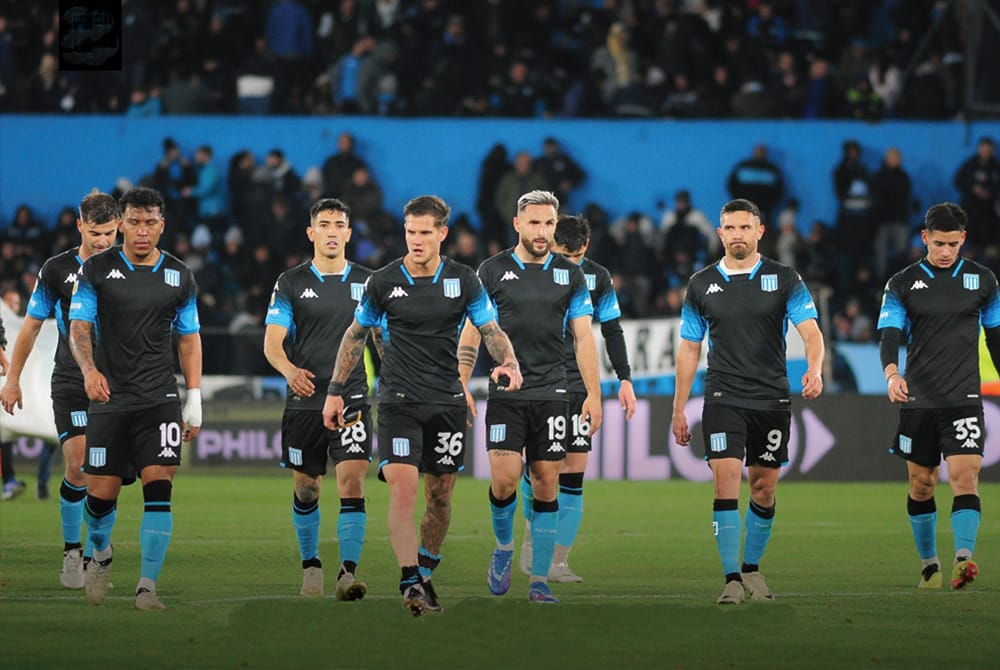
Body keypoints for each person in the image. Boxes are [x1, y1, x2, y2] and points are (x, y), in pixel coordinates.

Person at [322, 195, 521, 616]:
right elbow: (355, 336)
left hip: (446, 402)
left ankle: (426, 573)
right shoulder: (382, 281)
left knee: (441, 496)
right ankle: (410, 580)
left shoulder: (464, 280)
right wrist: (335, 390)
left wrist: (509, 361)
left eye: (425, 232)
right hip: (398, 402)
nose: (416, 240)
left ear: (442, 234)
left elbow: (489, 328)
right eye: (410, 232)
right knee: (403, 489)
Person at [672, 198, 824, 605]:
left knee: (763, 489)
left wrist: (815, 368)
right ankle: (731, 578)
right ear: (720, 233)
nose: (737, 234)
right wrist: (678, 407)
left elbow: (811, 332)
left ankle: (752, 569)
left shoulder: (784, 278)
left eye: (745, 227)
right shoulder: (702, 284)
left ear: (760, 232)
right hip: (723, 394)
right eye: (730, 228)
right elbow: (689, 348)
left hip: (771, 397)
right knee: (725, 481)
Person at [458, 190, 603, 605]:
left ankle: (539, 580)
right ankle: (504, 548)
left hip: (554, 392)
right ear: (517, 224)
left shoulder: (570, 276)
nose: (542, 231)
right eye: (534, 223)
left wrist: (593, 394)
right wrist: (461, 381)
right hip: (507, 391)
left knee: (546, 482)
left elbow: (583, 339)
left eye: (549, 224)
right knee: (504, 481)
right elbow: (473, 330)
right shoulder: (492, 270)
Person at [68, 187, 203, 611]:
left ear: (162, 225)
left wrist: (193, 397)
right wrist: (90, 371)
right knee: (99, 498)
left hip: (159, 397)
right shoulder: (96, 271)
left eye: (150, 222)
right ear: (122, 223)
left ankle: (147, 585)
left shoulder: (179, 276)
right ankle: (101, 551)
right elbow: (79, 328)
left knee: (159, 486)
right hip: (111, 397)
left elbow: (189, 338)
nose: (142, 231)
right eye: (134, 222)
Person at [876, 202, 1000, 591]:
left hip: (963, 397)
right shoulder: (901, 283)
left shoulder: (984, 282)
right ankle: (929, 564)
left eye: (953, 243)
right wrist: (892, 373)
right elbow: (890, 335)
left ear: (963, 239)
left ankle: (964, 559)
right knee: (922, 485)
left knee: (966, 478)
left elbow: (996, 338)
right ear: (924, 238)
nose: (945, 251)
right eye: (938, 243)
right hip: (919, 399)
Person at [1, 189, 118, 581]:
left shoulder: (133, 268)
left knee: (107, 476)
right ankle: (73, 550)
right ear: (80, 226)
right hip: (71, 380)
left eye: (109, 233)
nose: (102, 241)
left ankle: (98, 544)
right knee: (79, 464)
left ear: (119, 227)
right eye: (95, 233)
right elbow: (31, 327)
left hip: (120, 383)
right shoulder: (56, 270)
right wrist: (13, 380)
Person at [263, 198, 374, 601]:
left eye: (339, 224)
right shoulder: (290, 283)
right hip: (304, 399)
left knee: (352, 478)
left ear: (348, 233)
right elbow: (272, 344)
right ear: (311, 233)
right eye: (323, 224)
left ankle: (348, 572)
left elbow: (384, 342)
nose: (331, 230)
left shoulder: (368, 282)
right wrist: (290, 371)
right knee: (307, 488)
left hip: (352, 398)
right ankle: (311, 565)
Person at [518, 213, 636, 582]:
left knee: (574, 470)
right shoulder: (533, 270)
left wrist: (625, 379)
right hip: (538, 380)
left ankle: (558, 560)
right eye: (559, 255)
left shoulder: (598, 278)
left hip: (578, 383)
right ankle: (530, 531)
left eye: (572, 257)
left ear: (584, 249)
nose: (566, 263)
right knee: (539, 468)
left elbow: (612, 330)